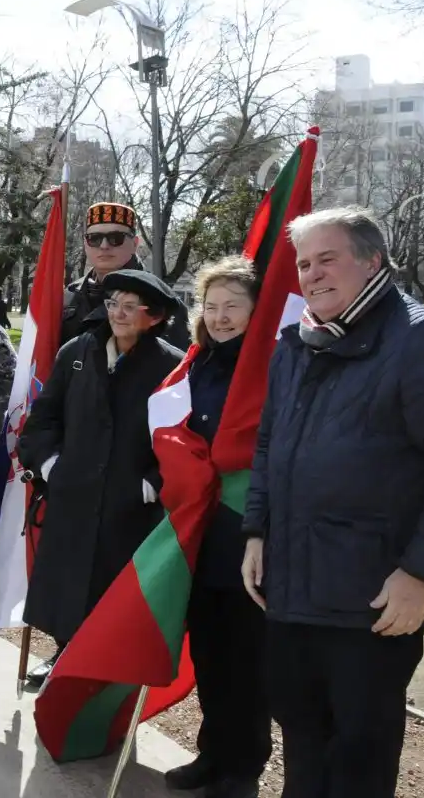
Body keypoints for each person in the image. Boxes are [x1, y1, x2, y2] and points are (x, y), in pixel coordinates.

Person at [242, 207, 424, 798]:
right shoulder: (296, 341)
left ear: (372, 260)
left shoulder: (423, 339)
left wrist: (422, 573)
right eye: (304, 263)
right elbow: (268, 444)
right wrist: (257, 530)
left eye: (327, 259)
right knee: (302, 734)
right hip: (290, 585)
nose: (311, 274)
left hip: (374, 598)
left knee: (359, 751)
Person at [19, 268, 185, 686]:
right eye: (113, 304)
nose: (119, 314)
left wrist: (149, 485)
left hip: (127, 503)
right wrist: (51, 466)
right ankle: (63, 658)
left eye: (132, 307)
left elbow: (180, 439)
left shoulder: (171, 366)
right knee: (68, 586)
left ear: (155, 317)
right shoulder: (78, 350)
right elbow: (43, 420)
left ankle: (101, 678)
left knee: (112, 594)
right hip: (73, 494)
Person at [160, 256, 270, 798]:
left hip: (244, 526)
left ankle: (242, 769)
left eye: (234, 307)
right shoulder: (197, 361)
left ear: (257, 311)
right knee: (207, 647)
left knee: (245, 656)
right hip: (197, 526)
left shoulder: (269, 363)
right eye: (213, 305)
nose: (222, 316)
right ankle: (211, 753)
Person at [62, 202, 189, 349]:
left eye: (115, 238)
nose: (104, 246)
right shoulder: (68, 296)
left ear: (135, 244)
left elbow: (176, 363)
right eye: (94, 238)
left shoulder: (161, 301)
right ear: (85, 243)